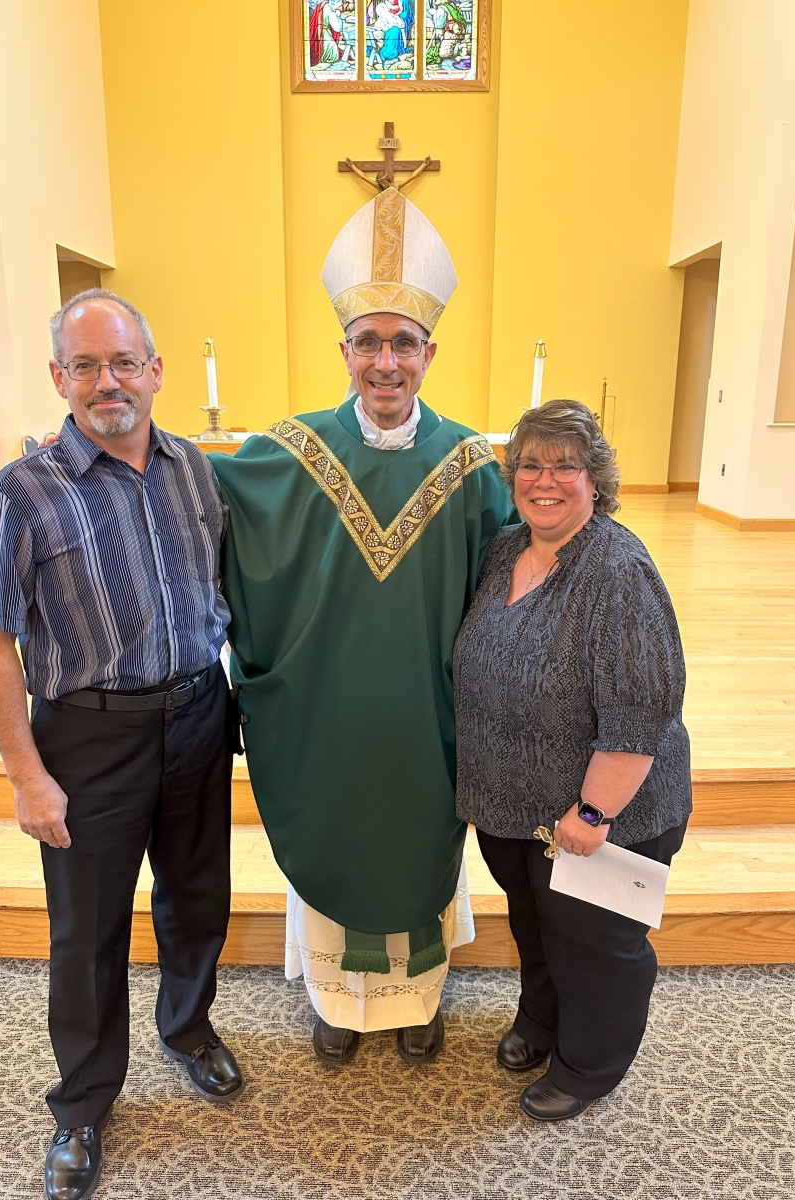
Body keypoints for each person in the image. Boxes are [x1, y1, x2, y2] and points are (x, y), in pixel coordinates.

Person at [211, 185, 514, 1066]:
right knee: (339, 833)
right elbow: (213, 508)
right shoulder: (288, 450)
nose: (387, 362)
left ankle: (420, 1001)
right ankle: (336, 1003)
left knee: (421, 842)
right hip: (327, 711)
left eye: (404, 343)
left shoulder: (469, 463)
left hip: (430, 712)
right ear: (343, 347)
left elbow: (505, 584)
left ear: (430, 350)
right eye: (370, 343)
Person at [0, 289, 243, 1200]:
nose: (106, 381)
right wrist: (25, 775)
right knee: (87, 933)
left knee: (197, 896)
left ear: (155, 371)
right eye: (84, 365)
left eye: (123, 361)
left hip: (199, 716)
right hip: (88, 738)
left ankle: (188, 1029)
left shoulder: (196, 470)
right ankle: (83, 1101)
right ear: (59, 378)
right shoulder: (21, 492)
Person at [453, 399, 692, 1121]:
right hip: (516, 811)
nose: (545, 480)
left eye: (566, 465)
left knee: (597, 944)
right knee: (537, 928)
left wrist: (593, 813)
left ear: (596, 478)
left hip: (602, 817)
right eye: (531, 464)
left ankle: (590, 1066)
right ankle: (541, 1021)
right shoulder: (505, 551)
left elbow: (640, 714)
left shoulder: (617, 571)